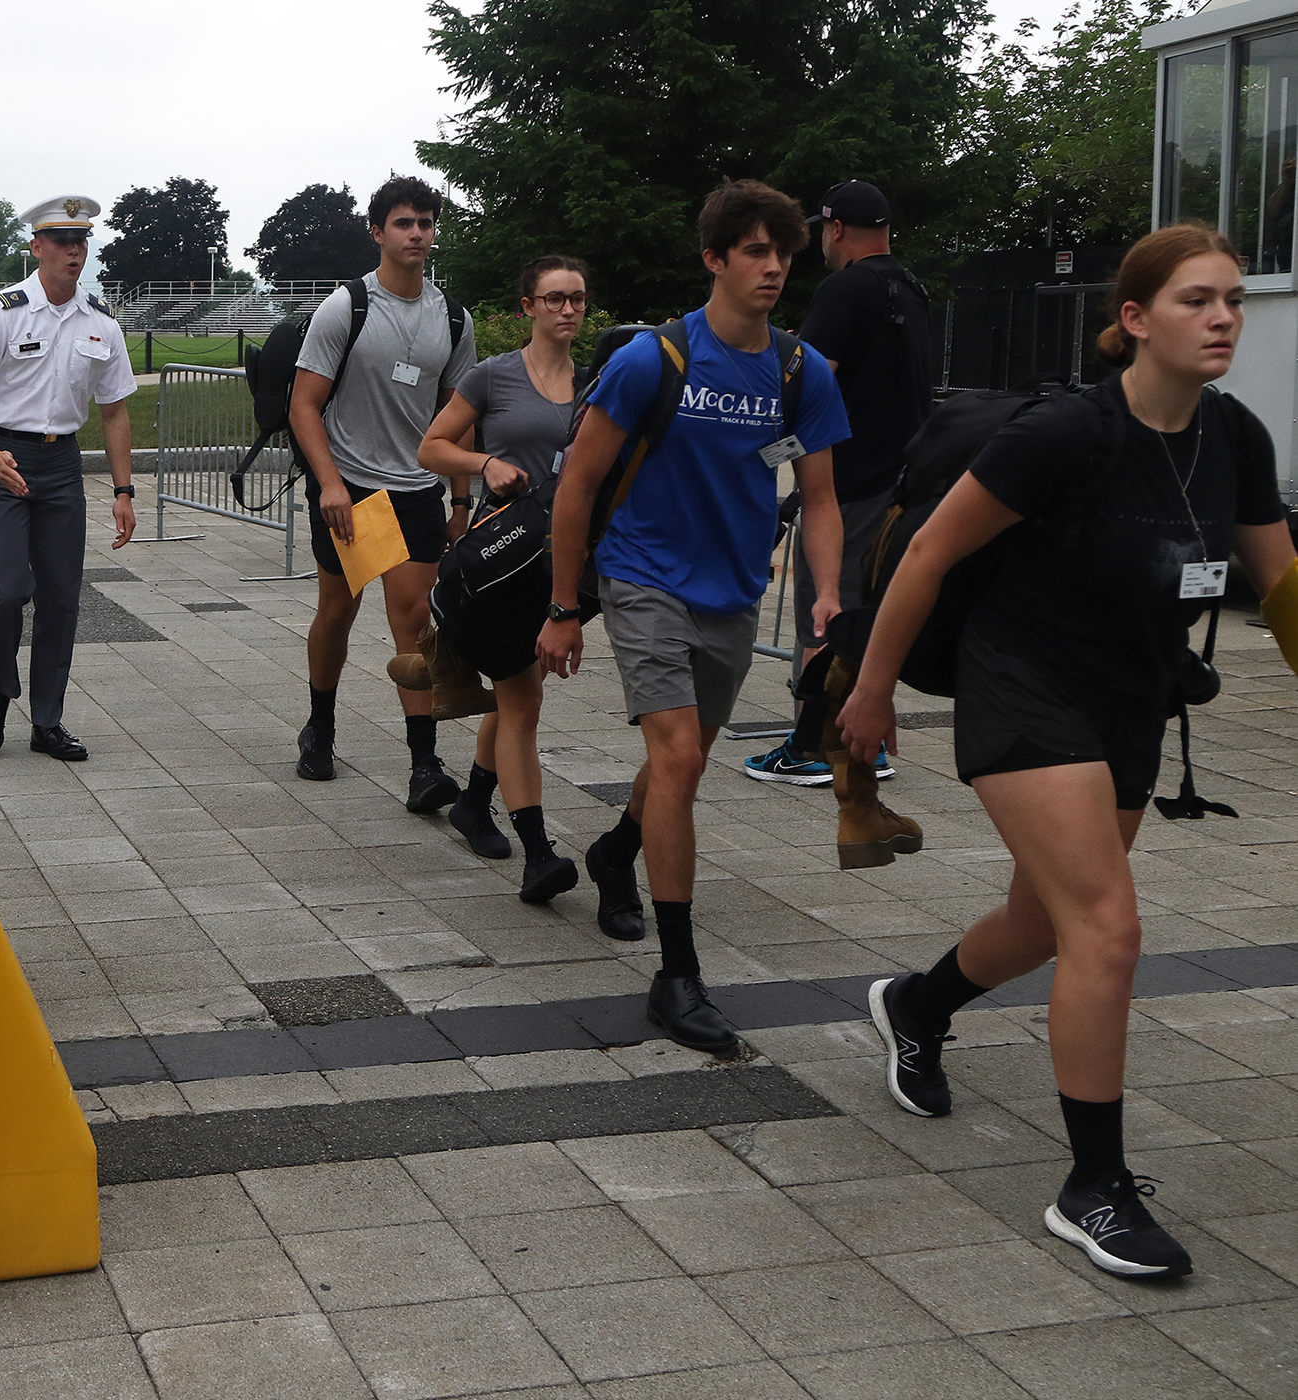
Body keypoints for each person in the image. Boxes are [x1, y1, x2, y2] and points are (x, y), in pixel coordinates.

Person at [840, 222, 1296, 1280]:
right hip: (1024, 687)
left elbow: (1281, 587)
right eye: (1196, 298)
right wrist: (868, 693)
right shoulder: (1063, 435)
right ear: (1134, 320)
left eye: (1233, 298)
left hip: (1132, 698)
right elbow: (927, 554)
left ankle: (918, 1003)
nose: (1224, 315)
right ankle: (1093, 1186)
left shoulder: (1237, 439)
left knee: (1045, 919)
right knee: (1108, 925)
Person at [540, 181, 849, 1052]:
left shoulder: (799, 370)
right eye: (755, 251)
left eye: (784, 253)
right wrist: (565, 608)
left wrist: (826, 594)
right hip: (643, 579)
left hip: (734, 593)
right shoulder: (654, 360)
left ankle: (615, 852)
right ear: (715, 259)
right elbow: (579, 488)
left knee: (688, 763)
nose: (774, 267)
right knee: (676, 757)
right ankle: (678, 978)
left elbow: (820, 498)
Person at [291, 176, 477, 810]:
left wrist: (459, 501)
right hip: (354, 490)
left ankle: (424, 764)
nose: (417, 233)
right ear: (378, 232)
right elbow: (304, 404)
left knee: (413, 619)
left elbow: (457, 415)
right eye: (404, 223)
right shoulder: (347, 308)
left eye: (426, 222)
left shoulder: (452, 317)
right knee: (338, 614)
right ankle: (320, 725)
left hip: (416, 489)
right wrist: (331, 484)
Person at [747, 180, 932, 785]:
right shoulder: (912, 287)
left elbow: (809, 383)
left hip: (848, 484)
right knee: (870, 614)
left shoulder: (844, 288)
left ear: (834, 230)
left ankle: (814, 746)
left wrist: (766, 448)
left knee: (823, 618)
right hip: (904, 482)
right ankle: (863, 733)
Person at [417, 255, 589, 901]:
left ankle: (476, 801)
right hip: (502, 559)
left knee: (521, 691)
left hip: (559, 565)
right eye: (553, 299)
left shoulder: (594, 384)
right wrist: (485, 463)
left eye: (575, 298)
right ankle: (539, 853)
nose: (567, 309)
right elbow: (432, 447)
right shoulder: (495, 376)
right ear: (528, 307)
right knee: (523, 699)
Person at [0, 195, 137, 763]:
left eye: (81, 241)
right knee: (8, 591)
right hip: (2, 459)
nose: (73, 251)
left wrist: (124, 491)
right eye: (60, 241)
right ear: (36, 247)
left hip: (61, 467)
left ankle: (48, 721)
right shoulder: (0, 313)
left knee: (61, 597)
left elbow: (115, 410)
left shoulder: (101, 321)